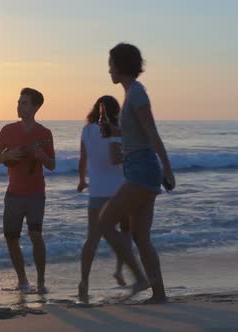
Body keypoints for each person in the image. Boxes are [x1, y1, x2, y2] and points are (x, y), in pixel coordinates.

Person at [99, 43, 175, 304]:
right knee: (142, 237)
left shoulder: (137, 94)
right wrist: (114, 131)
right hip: (140, 168)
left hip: (143, 170)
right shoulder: (131, 93)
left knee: (104, 221)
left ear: (119, 66)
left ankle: (140, 278)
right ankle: (159, 293)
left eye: (110, 64)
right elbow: (137, 135)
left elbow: (152, 132)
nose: (108, 69)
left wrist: (168, 169)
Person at [0, 87, 55, 294]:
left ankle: (42, 281)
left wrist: (39, 154)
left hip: (36, 193)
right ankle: (23, 280)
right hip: (13, 194)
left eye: (24, 103)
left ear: (35, 107)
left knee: (35, 235)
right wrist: (8, 156)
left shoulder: (44, 134)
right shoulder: (8, 130)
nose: (19, 106)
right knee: (11, 238)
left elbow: (52, 164)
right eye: (18, 102)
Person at [76, 95, 132, 302]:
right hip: (119, 190)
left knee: (92, 239)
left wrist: (82, 180)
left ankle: (84, 281)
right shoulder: (116, 130)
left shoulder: (87, 130)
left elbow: (83, 158)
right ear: (115, 112)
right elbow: (116, 158)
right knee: (125, 231)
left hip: (97, 191)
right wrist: (132, 155)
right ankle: (119, 270)